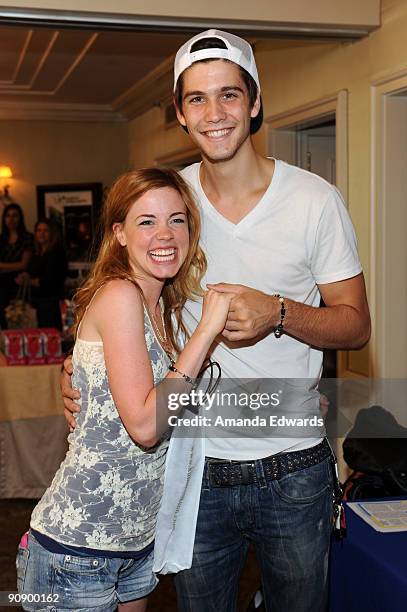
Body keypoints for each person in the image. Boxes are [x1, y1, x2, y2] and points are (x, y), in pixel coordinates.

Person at [63, 30, 371, 612]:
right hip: (193, 464)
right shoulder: (171, 206)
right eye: (197, 99)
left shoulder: (314, 200)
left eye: (229, 95)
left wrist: (280, 313)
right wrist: (85, 367)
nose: (214, 114)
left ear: (255, 103)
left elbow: (355, 326)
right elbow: (125, 303)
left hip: (294, 463)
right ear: (180, 113)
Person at [17, 168, 232, 612]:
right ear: (119, 233)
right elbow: (145, 425)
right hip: (75, 549)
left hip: (137, 541)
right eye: (146, 221)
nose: (165, 234)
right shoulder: (120, 296)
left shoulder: (165, 309)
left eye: (177, 219)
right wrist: (208, 330)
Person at [15, 219, 67, 329]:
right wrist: (25, 276)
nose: (41, 234)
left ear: (52, 233)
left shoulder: (57, 252)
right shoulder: (37, 252)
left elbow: (50, 281)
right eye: (39, 230)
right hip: (37, 303)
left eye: (45, 231)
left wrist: (30, 281)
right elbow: (33, 272)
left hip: (51, 304)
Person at [0, 203, 34, 328]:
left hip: (18, 283)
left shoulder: (27, 238)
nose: (11, 219)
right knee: (3, 319)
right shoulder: (1, 239)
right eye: (8, 216)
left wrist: (2, 266)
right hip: (2, 284)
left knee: (17, 319)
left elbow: (23, 264)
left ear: (20, 218)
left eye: (15, 216)